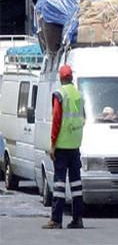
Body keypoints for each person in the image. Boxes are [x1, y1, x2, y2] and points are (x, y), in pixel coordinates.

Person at [42, 65, 85, 229]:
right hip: (75, 145)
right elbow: (83, 118)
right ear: (71, 78)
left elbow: (57, 121)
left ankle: (56, 219)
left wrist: (53, 144)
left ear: (60, 78)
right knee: (76, 184)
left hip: (62, 145)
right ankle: (78, 219)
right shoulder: (79, 95)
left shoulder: (60, 94)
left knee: (59, 183)